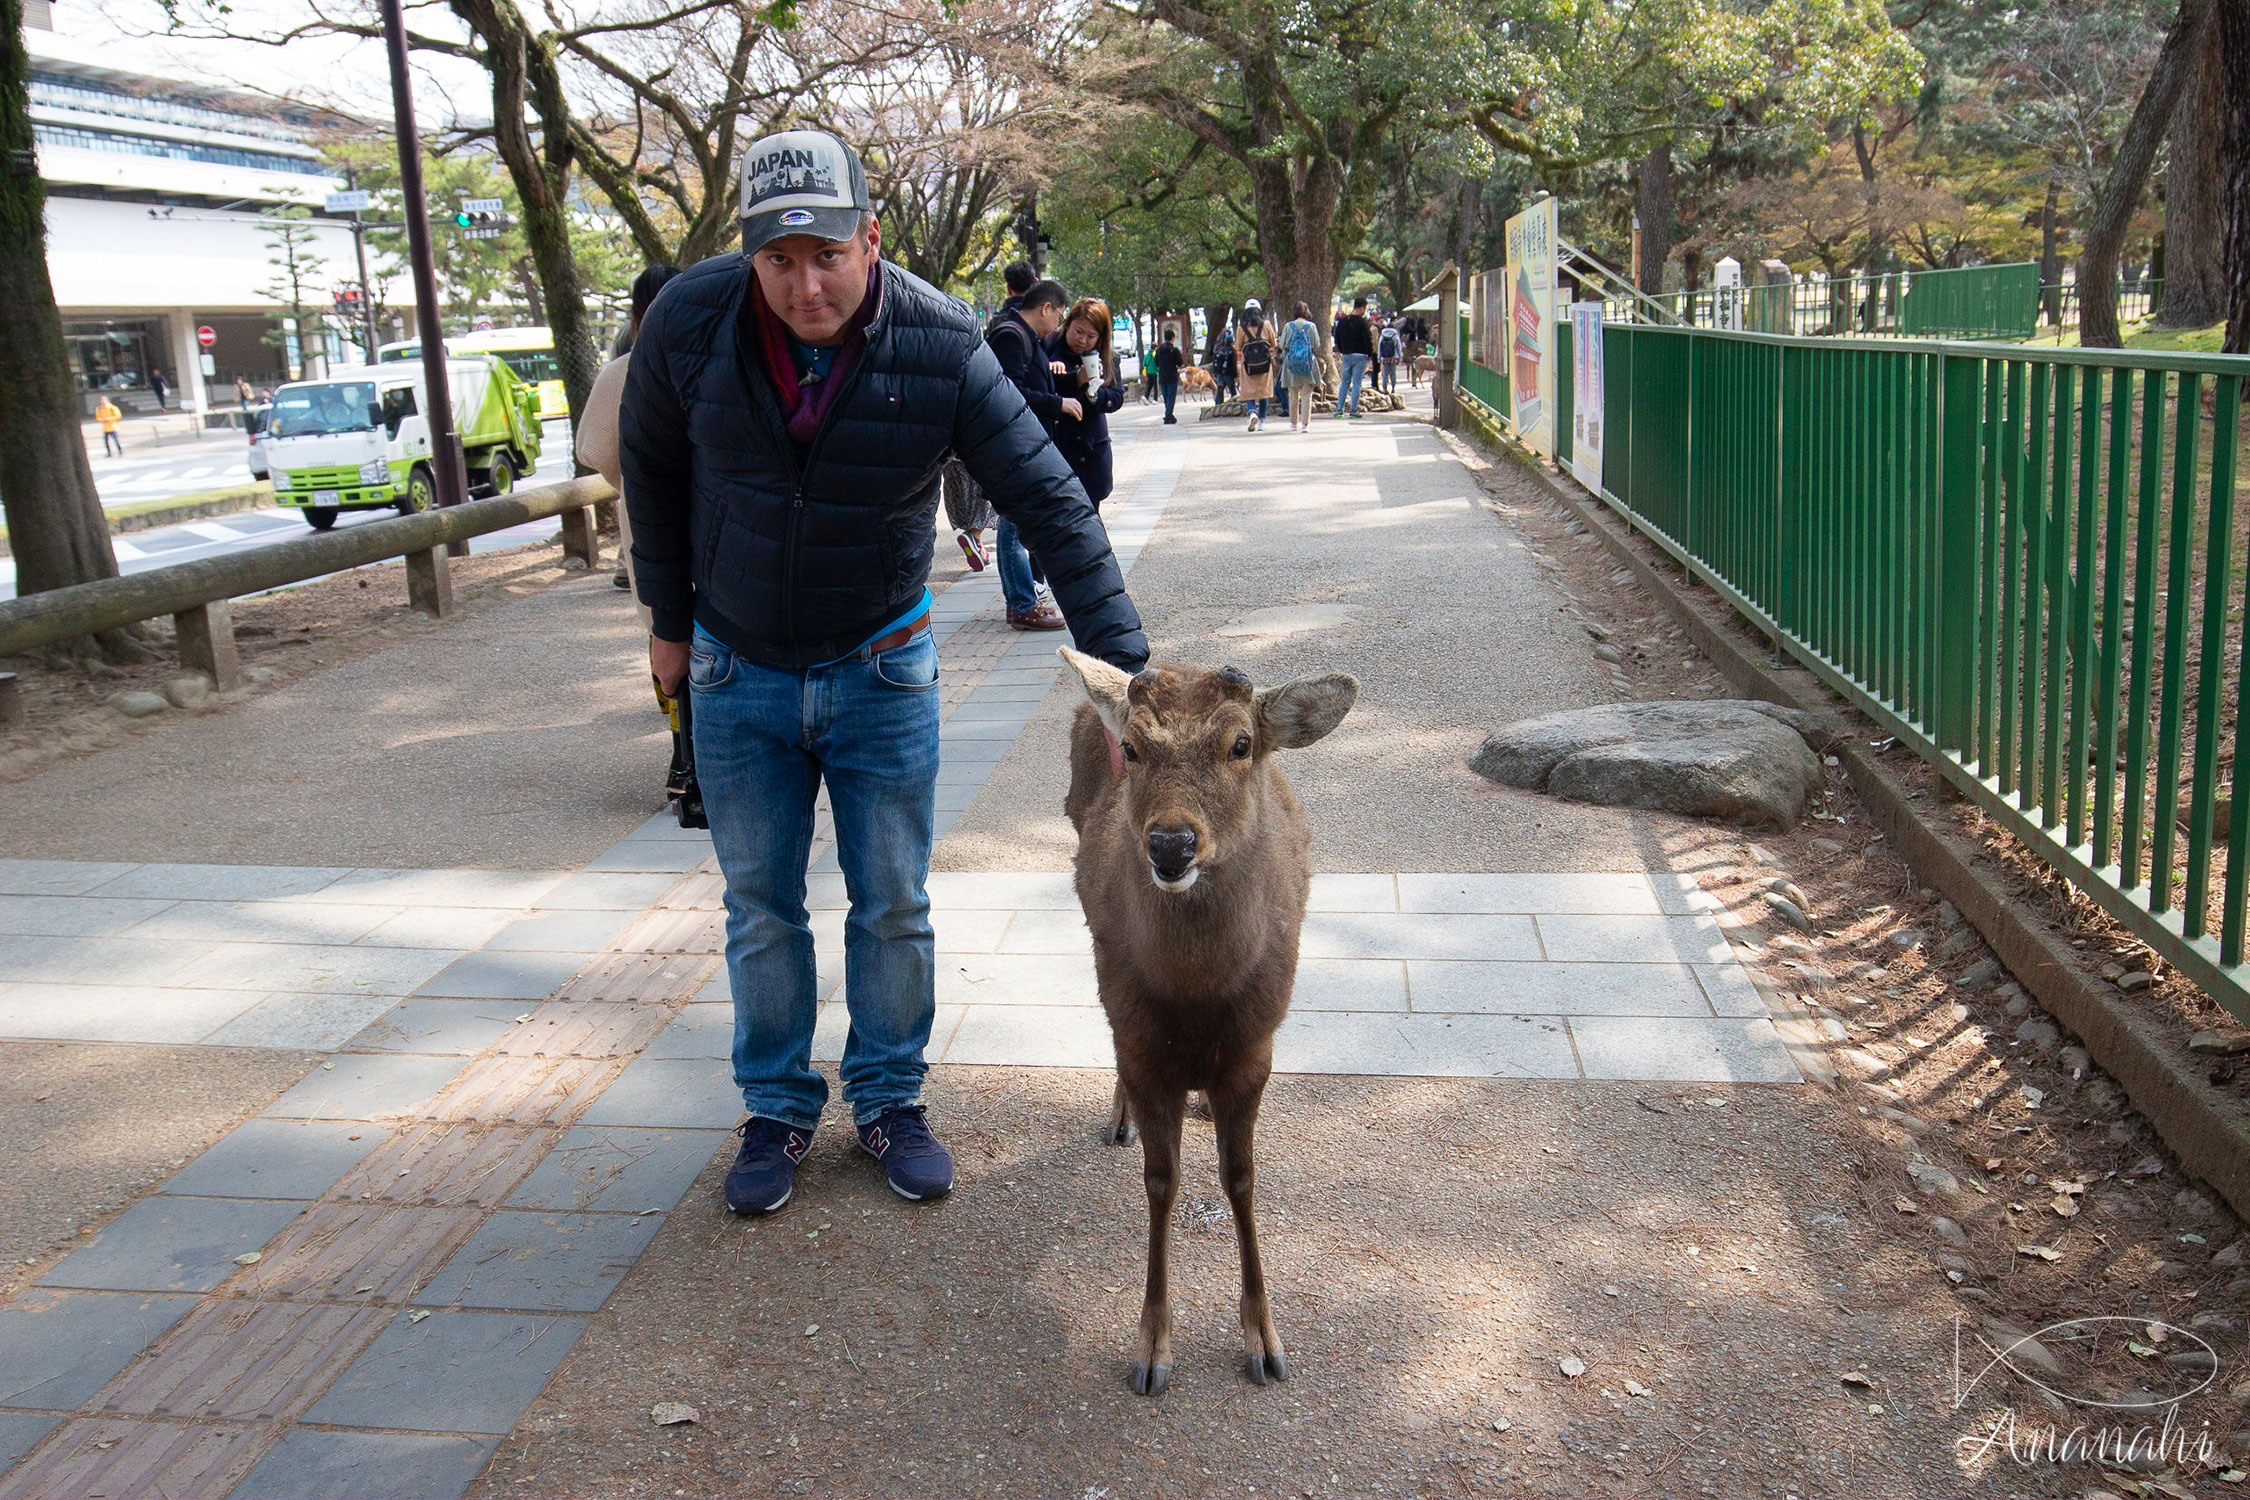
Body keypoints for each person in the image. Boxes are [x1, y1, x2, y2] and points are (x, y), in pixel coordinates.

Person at [622, 128, 1147, 1217]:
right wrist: (667, 622)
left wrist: (1125, 679)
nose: (805, 284)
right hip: (735, 667)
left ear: (872, 238)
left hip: (883, 666)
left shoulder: (942, 343)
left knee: (892, 902)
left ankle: (891, 1097)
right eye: (779, 260)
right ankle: (775, 1106)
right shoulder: (689, 321)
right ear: (748, 254)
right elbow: (654, 470)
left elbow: (1050, 500)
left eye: (828, 255)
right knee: (760, 906)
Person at [578, 264, 683, 596]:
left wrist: (630, 479)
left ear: (636, 317)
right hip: (720, 525)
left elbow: (592, 451)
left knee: (662, 618)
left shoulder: (620, 373)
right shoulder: (718, 363)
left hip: (645, 514)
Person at [984, 278, 1077, 631]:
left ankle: (1022, 601)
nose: (1058, 325)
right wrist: (1057, 403)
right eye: (1059, 315)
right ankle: (1023, 604)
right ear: (1046, 307)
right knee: (1013, 530)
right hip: (1012, 446)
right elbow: (1009, 393)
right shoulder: (1011, 336)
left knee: (1014, 527)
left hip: (1020, 444)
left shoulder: (1026, 337)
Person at [1048, 296, 1126, 507]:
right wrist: (1074, 380)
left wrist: (1094, 393)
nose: (1082, 340)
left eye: (1091, 336)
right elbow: (1041, 392)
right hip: (1060, 445)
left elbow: (1116, 398)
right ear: (1068, 325)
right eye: (1078, 332)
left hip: (1091, 449)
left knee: (1090, 517)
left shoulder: (1108, 357)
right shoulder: (1050, 349)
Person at [1278, 301, 1321, 432]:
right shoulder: (1311, 326)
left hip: (1291, 364)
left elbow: (1282, 345)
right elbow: (1316, 344)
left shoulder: (1288, 326)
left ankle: (1293, 423)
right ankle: (1305, 425)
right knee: (1307, 395)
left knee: (1293, 395)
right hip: (1308, 363)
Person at [1235, 299, 1276, 432]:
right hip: (1264, 364)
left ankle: (1252, 412)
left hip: (1248, 366)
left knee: (1249, 391)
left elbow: (1238, 347)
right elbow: (1273, 342)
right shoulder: (1266, 325)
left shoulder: (1241, 328)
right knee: (1263, 392)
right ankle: (1262, 421)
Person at [1332, 296, 1373, 418]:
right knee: (1356, 383)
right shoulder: (1362, 322)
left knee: (1344, 382)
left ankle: (1339, 409)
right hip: (1360, 355)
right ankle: (1353, 410)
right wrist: (1369, 353)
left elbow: (1337, 337)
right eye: (1364, 308)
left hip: (1346, 355)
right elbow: (1367, 339)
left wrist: (1341, 349)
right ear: (1361, 308)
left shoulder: (1343, 322)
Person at [1154, 329, 1184, 425]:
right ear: (1172, 338)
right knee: (1171, 397)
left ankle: (1169, 415)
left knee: (1166, 397)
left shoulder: (1158, 350)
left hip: (1162, 376)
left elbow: (1156, 363)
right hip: (1172, 376)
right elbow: (1179, 363)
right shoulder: (1174, 350)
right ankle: (1168, 416)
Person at [1376, 314, 1403, 396]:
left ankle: (1385, 389)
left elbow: (1379, 347)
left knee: (1385, 374)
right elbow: (1399, 347)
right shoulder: (1395, 335)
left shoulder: (1382, 335)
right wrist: (1400, 357)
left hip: (1385, 358)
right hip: (1394, 357)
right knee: (1393, 374)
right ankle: (1393, 388)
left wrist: (1379, 357)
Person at [1213, 328, 1237, 403]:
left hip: (1220, 372)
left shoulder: (1219, 349)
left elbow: (1215, 361)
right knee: (1232, 390)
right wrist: (1235, 374)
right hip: (1228, 373)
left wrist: (1215, 372)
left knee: (1220, 389)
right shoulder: (1231, 350)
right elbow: (1233, 363)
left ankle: (1218, 405)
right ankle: (1234, 404)